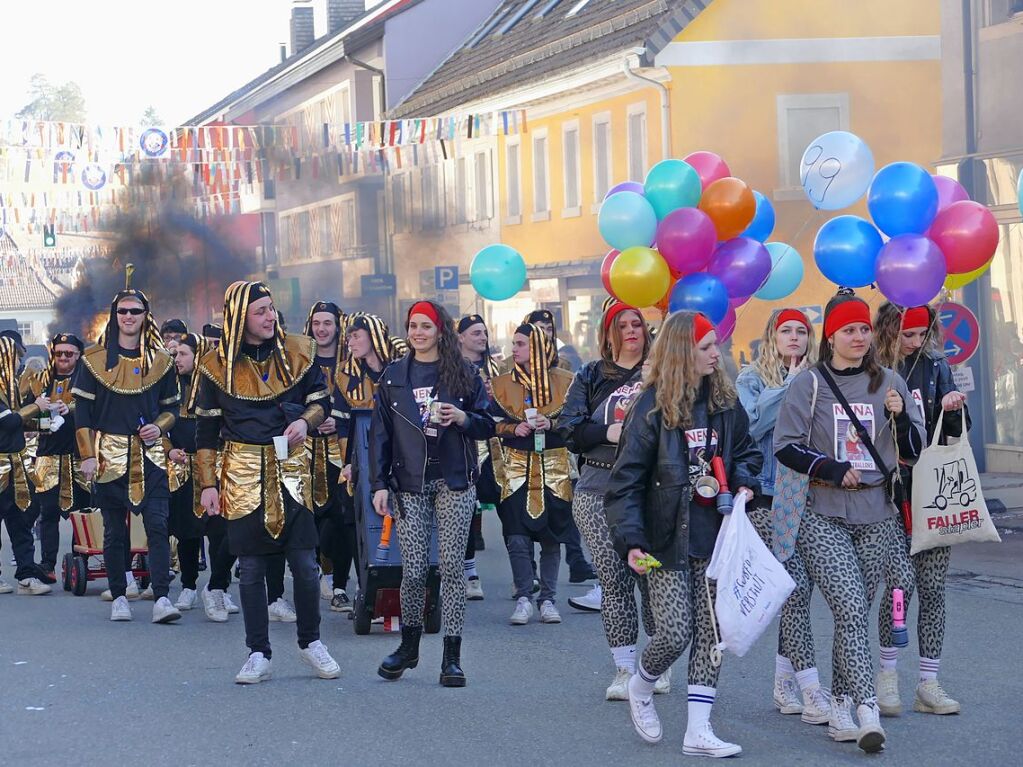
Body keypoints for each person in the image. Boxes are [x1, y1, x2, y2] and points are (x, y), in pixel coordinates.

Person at [773, 290, 925, 753]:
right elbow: (786, 446)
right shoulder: (810, 384)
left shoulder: (890, 381)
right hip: (824, 513)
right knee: (851, 608)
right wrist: (832, 468)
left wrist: (900, 420)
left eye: (863, 329)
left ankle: (840, 702)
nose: (859, 337)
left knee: (854, 613)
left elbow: (914, 451)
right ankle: (866, 708)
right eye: (849, 330)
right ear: (832, 337)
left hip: (878, 513)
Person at [606, 311, 761, 758]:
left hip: (715, 537)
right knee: (674, 632)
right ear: (683, 352)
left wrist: (744, 479)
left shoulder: (725, 403)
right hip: (664, 539)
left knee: (711, 635)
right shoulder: (650, 408)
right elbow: (626, 483)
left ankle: (698, 730)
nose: (718, 353)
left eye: (716, 345)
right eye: (708, 346)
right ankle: (641, 684)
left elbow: (747, 452)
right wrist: (632, 542)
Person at [196, 281, 340, 684]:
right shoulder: (213, 366)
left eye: (271, 309)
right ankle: (258, 652)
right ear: (240, 317)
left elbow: (321, 402)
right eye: (260, 311)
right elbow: (205, 433)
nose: (269, 317)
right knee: (253, 568)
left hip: (292, 468)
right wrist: (208, 485)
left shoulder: (300, 351)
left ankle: (311, 642)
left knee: (306, 566)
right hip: (241, 473)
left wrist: (304, 421)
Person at [370, 300, 493, 687]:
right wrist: (378, 484)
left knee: (454, 568)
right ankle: (408, 646)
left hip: (455, 480)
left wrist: (463, 418)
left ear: (441, 330)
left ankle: (451, 657)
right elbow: (380, 436)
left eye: (426, 326)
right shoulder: (393, 377)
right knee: (415, 569)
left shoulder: (465, 373)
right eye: (412, 326)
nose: (418, 332)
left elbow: (489, 424)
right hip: (410, 483)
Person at [557, 300, 660, 699]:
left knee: (651, 577)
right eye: (623, 324)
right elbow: (568, 428)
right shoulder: (590, 375)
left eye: (638, 323)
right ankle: (623, 669)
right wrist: (607, 433)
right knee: (614, 581)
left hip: (651, 489)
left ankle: (655, 664)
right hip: (597, 486)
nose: (632, 330)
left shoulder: (660, 373)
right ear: (608, 332)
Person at [873, 302, 968, 716]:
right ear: (889, 332)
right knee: (899, 586)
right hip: (890, 491)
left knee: (933, 589)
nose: (915, 343)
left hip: (934, 489)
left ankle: (928, 683)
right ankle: (886, 678)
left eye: (921, 335)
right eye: (907, 335)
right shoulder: (870, 369)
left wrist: (952, 411)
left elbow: (958, 434)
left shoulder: (936, 366)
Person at [735, 309, 830, 724]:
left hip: (810, 493)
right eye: (786, 331)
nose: (794, 338)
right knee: (790, 593)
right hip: (767, 494)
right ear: (772, 336)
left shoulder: (823, 378)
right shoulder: (750, 378)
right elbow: (751, 427)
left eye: (801, 332)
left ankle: (783, 681)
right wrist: (790, 387)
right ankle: (810, 688)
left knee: (799, 592)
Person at [73, 272, 181, 623]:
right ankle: (119, 594)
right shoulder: (93, 361)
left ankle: (162, 597)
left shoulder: (161, 361)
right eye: (123, 311)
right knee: (115, 530)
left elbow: (171, 409)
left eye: (135, 311)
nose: (129, 317)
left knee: (158, 526)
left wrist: (159, 426)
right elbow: (83, 414)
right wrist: (87, 456)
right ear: (115, 315)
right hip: (108, 456)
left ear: (145, 315)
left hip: (151, 456)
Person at [490, 323, 574, 626]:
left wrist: (551, 425)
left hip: (554, 466)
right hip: (514, 468)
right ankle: (524, 596)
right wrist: (514, 428)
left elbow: (576, 421)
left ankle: (548, 599)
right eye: (514, 343)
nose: (515, 350)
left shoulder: (566, 381)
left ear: (538, 347)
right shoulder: (501, 383)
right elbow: (489, 423)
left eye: (521, 344)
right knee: (516, 536)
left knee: (552, 538)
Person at [166, 334, 239, 621]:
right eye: (177, 354)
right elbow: (156, 425)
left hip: (218, 465)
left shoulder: (216, 384)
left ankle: (218, 586)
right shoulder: (171, 386)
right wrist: (170, 451)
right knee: (187, 531)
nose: (178, 359)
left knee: (223, 529)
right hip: (183, 466)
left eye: (184, 354)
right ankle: (187, 586)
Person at [335, 313, 405, 610]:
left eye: (356, 336)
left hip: (401, 456)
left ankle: (406, 587)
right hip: (360, 457)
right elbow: (341, 426)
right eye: (348, 337)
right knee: (353, 520)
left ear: (374, 338)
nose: (349, 342)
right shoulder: (343, 375)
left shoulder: (402, 370)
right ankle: (366, 589)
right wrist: (348, 462)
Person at [523, 308, 597, 585]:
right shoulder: (511, 366)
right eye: (538, 328)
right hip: (524, 448)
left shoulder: (564, 366)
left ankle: (576, 559)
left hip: (558, 446)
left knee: (567, 503)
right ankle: (528, 570)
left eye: (549, 329)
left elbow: (575, 407)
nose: (545, 334)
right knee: (527, 508)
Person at [25, 333, 90, 583]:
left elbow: (97, 413)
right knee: (48, 511)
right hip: (48, 456)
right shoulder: (40, 381)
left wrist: (70, 410)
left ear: (78, 355)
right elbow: (26, 420)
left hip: (80, 455)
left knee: (83, 510)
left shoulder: (88, 379)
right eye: (59, 353)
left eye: (69, 353)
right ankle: (47, 565)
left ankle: (79, 561)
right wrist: (42, 418)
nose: (63, 358)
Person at [303, 301, 350, 612]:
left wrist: (339, 419)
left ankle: (340, 585)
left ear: (338, 327)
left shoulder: (349, 364)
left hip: (341, 450)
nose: (321, 329)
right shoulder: (300, 361)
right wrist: (312, 418)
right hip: (305, 450)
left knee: (342, 517)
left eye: (328, 323)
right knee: (310, 518)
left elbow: (363, 403)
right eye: (317, 322)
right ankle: (318, 571)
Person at [0, 334, 51, 596]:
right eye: (16, 357)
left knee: (22, 521)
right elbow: (7, 422)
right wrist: (35, 407)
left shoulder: (15, 387)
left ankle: (26, 575)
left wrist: (47, 417)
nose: (20, 362)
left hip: (18, 463)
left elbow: (24, 423)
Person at [458, 313, 502, 601]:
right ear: (460, 337)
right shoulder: (450, 368)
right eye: (475, 333)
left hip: (495, 450)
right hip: (465, 448)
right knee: (466, 514)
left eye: (484, 332)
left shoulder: (496, 368)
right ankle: (470, 573)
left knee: (506, 508)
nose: (482, 338)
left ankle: (525, 579)